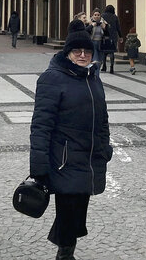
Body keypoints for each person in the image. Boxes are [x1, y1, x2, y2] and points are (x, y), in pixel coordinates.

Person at [30, 19, 112, 260]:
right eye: (77, 51)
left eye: (87, 51)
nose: (83, 55)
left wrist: (105, 146)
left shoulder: (91, 77)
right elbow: (41, 126)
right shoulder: (52, 79)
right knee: (68, 212)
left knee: (78, 212)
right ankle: (64, 254)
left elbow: (103, 116)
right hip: (64, 159)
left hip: (88, 157)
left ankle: (66, 251)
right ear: (67, 53)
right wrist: (39, 165)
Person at [85, 8, 108, 75]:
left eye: (98, 15)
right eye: (95, 15)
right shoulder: (89, 23)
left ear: (100, 15)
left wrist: (105, 28)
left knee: (100, 61)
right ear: (93, 15)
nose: (96, 16)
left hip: (101, 43)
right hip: (92, 43)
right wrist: (91, 26)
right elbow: (86, 31)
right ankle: (96, 76)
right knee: (96, 60)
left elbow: (108, 34)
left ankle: (95, 74)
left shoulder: (104, 23)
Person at [101, 5, 122, 74]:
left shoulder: (102, 16)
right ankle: (111, 67)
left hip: (105, 36)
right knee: (112, 52)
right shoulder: (115, 17)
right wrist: (120, 36)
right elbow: (118, 28)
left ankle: (104, 66)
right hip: (113, 37)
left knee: (104, 52)